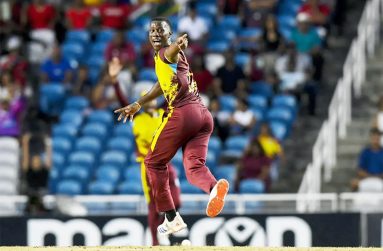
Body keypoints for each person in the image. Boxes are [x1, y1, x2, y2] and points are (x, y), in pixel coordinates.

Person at [113, 17, 229, 236]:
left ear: (169, 34)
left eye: (160, 30)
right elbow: (161, 84)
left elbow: (171, 51)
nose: (155, 33)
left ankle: (171, 218)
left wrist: (177, 44)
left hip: (183, 113)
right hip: (203, 116)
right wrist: (139, 103)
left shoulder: (166, 52)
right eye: (152, 30)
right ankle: (214, 188)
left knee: (153, 162)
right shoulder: (167, 60)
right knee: (193, 167)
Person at [109, 64, 181, 246]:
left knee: (176, 199)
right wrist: (115, 82)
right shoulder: (137, 119)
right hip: (147, 167)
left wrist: (174, 74)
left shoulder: (162, 114)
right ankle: (156, 243)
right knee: (152, 206)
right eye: (145, 99)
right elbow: (123, 102)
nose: (150, 101)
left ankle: (169, 224)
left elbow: (173, 93)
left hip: (165, 164)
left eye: (151, 98)